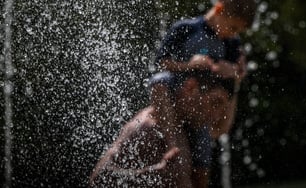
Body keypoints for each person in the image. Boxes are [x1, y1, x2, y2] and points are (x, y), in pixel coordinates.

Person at [149, 0, 257, 187]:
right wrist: (188, 65)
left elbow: (235, 77)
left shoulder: (231, 44)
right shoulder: (186, 29)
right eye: (233, 27)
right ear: (219, 9)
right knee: (158, 81)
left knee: (201, 167)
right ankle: (172, 144)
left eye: (239, 31)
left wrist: (234, 72)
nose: (234, 34)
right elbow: (161, 62)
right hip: (177, 86)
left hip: (203, 105)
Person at [89, 72, 233, 188]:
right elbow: (99, 177)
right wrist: (152, 174)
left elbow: (221, 129)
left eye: (222, 109)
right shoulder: (149, 126)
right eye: (215, 103)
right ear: (190, 87)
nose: (217, 115)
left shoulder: (185, 130)